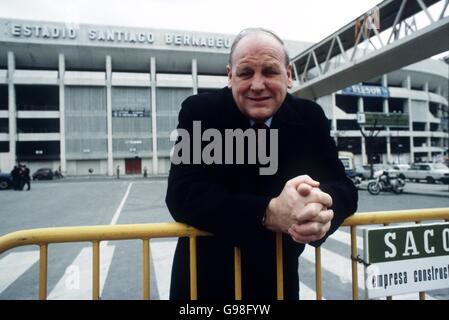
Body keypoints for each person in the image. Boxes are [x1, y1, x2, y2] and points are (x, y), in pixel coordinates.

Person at [165, 28, 358, 300]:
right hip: (205, 285)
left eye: (269, 71)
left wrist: (321, 211)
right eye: (245, 73)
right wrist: (268, 213)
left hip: (278, 283)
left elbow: (344, 188)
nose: (257, 85)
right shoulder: (200, 112)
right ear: (230, 76)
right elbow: (181, 194)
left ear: (288, 75)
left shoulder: (310, 117)